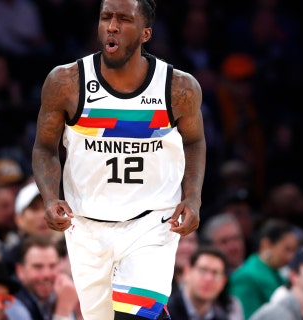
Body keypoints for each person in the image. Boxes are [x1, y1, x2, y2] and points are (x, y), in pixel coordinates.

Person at [31, 0, 206, 318]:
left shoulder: (178, 87)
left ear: (145, 33)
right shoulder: (66, 82)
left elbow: (194, 141)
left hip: (151, 222)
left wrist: (192, 197)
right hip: (86, 225)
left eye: (124, 19)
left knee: (135, 316)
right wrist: (48, 197)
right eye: (106, 17)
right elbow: (45, 147)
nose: (111, 26)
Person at [230, 219, 298, 319]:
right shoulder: (245, 277)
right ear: (266, 244)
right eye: (287, 249)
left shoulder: (281, 274)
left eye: (293, 251)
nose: (291, 257)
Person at [5, 235, 79, 320]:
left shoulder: (61, 293)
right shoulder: (12, 305)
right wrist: (63, 312)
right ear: (20, 271)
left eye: (52, 266)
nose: (46, 274)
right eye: (38, 267)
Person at [167, 246, 243, 320]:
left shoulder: (224, 316)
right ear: (187, 272)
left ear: (223, 282)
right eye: (203, 270)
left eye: (215, 273)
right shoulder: (163, 312)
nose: (209, 278)